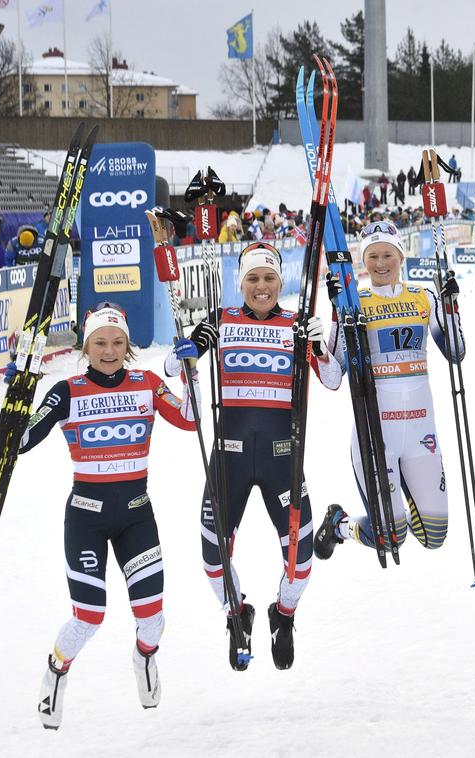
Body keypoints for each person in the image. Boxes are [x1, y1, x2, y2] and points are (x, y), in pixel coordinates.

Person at [15, 304, 199, 729]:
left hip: (136, 515)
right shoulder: (68, 390)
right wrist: (18, 398)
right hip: (86, 518)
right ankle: (55, 672)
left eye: (118, 343)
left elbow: (190, 420)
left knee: (152, 617)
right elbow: (22, 440)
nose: (110, 351)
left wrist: (190, 374)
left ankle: (144, 659)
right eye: (100, 343)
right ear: (86, 346)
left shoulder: (147, 384)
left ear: (129, 347)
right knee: (89, 616)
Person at [180, 242, 329, 671]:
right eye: (252, 279)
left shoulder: (297, 324)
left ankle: (282, 614)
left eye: (269, 279)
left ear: (281, 283)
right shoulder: (221, 320)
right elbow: (176, 368)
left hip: (283, 457)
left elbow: (334, 379)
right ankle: (236, 615)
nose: (261, 287)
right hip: (228, 459)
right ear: (240, 282)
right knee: (213, 560)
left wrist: (318, 348)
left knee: (300, 562)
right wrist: (193, 345)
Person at [313, 221, 463, 562]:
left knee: (435, 534)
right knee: (390, 537)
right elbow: (334, 376)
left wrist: (450, 307)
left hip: (421, 433)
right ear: (364, 261)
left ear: (401, 255)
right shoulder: (355, 302)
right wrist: (326, 334)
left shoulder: (424, 297)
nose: (381, 264)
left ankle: (392, 505)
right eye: (373, 256)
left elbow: (455, 352)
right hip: (376, 432)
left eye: (387, 255)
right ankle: (340, 525)